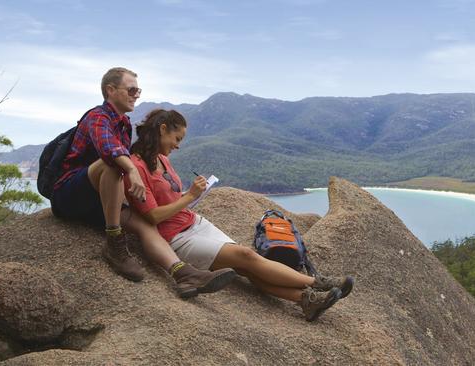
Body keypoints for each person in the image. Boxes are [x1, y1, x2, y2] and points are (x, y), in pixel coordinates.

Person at [125, 109, 354, 321]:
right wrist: (188, 197)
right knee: (246, 256)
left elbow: (172, 197)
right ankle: (318, 283)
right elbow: (152, 216)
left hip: (194, 223)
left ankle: (307, 301)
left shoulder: (161, 159)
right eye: (177, 139)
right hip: (176, 238)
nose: (178, 146)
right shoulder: (136, 168)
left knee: (245, 267)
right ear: (163, 129)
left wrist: (192, 194)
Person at [50, 67, 235, 297]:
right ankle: (114, 242)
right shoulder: (97, 117)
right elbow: (110, 151)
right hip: (70, 195)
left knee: (146, 225)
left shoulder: (125, 124)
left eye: (138, 91)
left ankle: (183, 274)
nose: (136, 95)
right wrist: (131, 169)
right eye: (131, 90)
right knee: (113, 163)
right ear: (110, 90)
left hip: (100, 201)